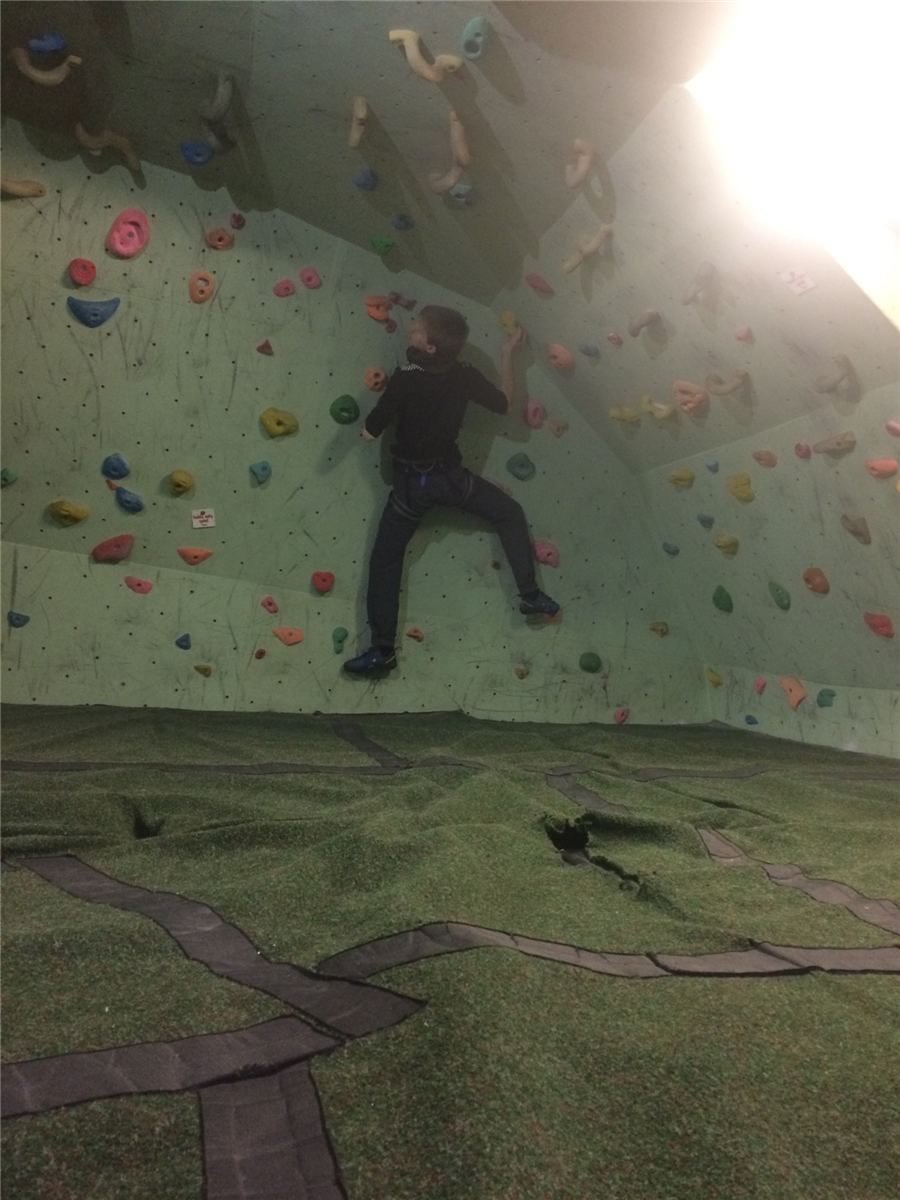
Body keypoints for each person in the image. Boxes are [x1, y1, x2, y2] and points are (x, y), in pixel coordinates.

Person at [344, 304, 560, 675]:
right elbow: (503, 403)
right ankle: (531, 595)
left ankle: (382, 651)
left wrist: (366, 430)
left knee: (385, 561)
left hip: (413, 487)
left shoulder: (406, 376)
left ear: (429, 347)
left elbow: (372, 427)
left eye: (417, 327)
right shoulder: (464, 374)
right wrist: (508, 353)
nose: (412, 328)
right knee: (510, 512)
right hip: (451, 480)